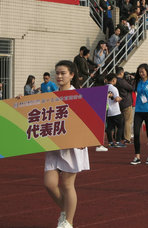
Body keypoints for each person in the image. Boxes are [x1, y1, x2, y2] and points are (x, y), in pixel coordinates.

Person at [43, 60, 89, 228]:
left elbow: (88, 121)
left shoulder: (79, 95)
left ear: (72, 75)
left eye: (63, 73)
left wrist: (85, 139)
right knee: (49, 184)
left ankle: (68, 222)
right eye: (58, 73)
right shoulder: (51, 96)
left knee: (68, 185)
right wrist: (20, 101)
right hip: (53, 146)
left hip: (72, 146)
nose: (60, 76)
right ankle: (66, 210)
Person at [130, 64, 148, 165]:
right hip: (138, 111)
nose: (141, 73)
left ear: (147, 71)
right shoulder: (138, 83)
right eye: (139, 72)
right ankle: (137, 156)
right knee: (136, 133)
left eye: (143, 71)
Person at [104, 74, 125, 148]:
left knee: (109, 127)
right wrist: (120, 98)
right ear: (113, 80)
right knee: (120, 126)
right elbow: (116, 99)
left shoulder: (104, 87)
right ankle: (118, 141)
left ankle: (110, 142)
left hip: (108, 111)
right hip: (115, 111)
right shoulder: (114, 89)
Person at [115, 66, 134, 143]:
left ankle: (119, 136)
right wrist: (133, 80)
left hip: (118, 103)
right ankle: (127, 138)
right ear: (121, 72)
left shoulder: (115, 81)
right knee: (128, 121)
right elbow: (131, 88)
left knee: (120, 121)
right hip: (126, 102)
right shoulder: (122, 81)